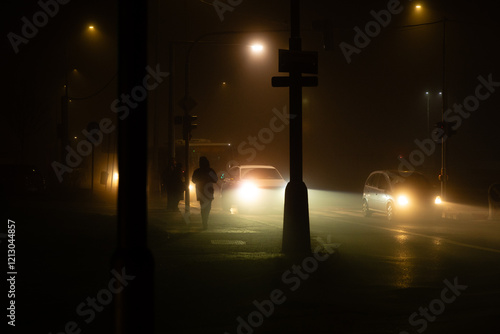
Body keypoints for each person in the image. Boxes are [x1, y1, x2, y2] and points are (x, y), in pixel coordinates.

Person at [192, 156, 218, 229]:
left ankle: (204, 222)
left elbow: (193, 180)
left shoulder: (197, 171)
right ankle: (205, 221)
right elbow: (215, 180)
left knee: (203, 207)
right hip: (209, 191)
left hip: (200, 191)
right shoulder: (210, 170)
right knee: (208, 207)